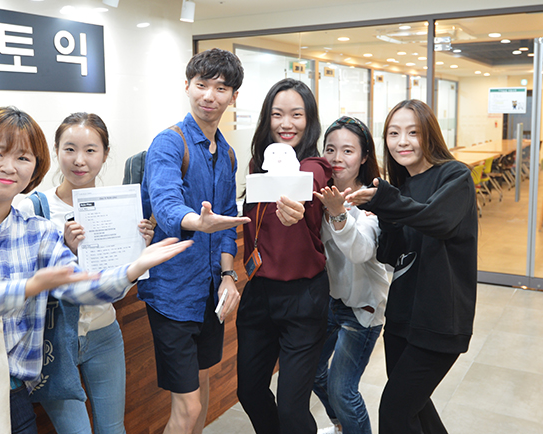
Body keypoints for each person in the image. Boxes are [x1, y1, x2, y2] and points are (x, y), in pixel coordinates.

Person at [0, 106, 192, 434]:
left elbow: (79, 287)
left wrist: (132, 268)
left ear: (35, 166)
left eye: (22, 157)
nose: (9, 166)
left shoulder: (38, 231)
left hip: (14, 392)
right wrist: (28, 287)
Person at [346, 99, 477, 434]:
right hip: (403, 317)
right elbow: (391, 255)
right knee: (417, 412)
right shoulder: (403, 187)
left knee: (395, 411)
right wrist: (387, 218)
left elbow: (438, 221)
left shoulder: (455, 175)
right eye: (393, 133)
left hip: (440, 320)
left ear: (429, 134)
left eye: (412, 132)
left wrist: (387, 201)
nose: (401, 141)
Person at [18, 112, 153, 434]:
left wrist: (139, 253)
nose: (79, 160)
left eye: (91, 150)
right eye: (70, 149)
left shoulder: (119, 208)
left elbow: (119, 291)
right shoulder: (32, 207)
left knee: (113, 429)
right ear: (56, 151)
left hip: (104, 332)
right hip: (53, 340)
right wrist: (67, 252)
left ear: (105, 155)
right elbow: (24, 283)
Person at [139, 48, 250, 434]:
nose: (209, 96)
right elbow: (166, 203)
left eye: (221, 88)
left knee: (202, 388)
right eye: (202, 85)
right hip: (172, 294)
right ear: (187, 86)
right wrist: (196, 223)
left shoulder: (228, 154)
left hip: (208, 294)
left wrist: (227, 276)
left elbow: (226, 225)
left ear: (233, 96)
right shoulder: (169, 143)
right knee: (187, 408)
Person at [236, 78, 332, 434]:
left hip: (303, 297)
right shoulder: (256, 166)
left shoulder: (314, 168)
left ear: (310, 120)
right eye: (277, 114)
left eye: (296, 114)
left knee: (292, 410)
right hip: (258, 293)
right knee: (249, 391)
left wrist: (297, 210)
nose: (286, 123)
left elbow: (307, 192)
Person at [311, 116, 389, 434]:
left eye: (348, 150)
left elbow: (360, 250)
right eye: (330, 149)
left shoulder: (372, 199)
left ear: (364, 156)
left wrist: (338, 213)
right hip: (331, 301)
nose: (337, 158)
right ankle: (343, 426)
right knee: (314, 372)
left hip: (363, 308)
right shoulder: (318, 194)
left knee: (343, 390)